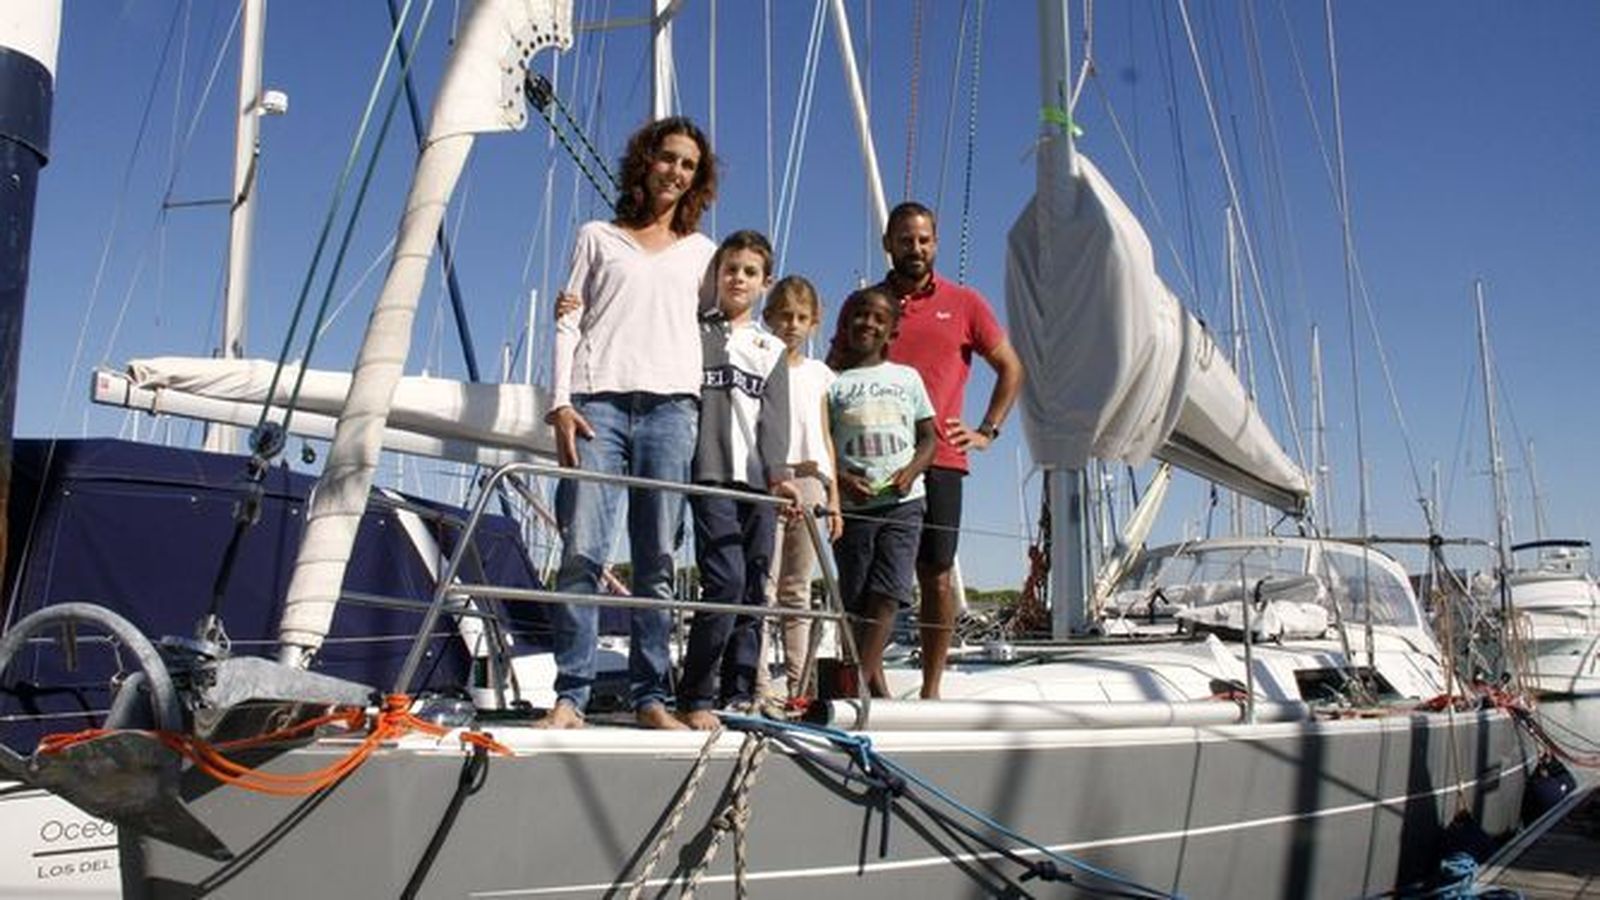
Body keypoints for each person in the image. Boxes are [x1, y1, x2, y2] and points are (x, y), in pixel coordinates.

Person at [540, 117, 719, 730]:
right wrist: (560, 402)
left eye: (689, 165)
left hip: (673, 408)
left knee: (657, 562)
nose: (676, 172)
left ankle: (651, 697)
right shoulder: (596, 236)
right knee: (583, 550)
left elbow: (731, 320)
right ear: (646, 161)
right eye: (668, 158)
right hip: (599, 404)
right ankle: (572, 695)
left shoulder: (704, 254)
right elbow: (568, 320)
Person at [829, 202, 1025, 699]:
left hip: (938, 460)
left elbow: (1010, 367)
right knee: (862, 580)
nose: (914, 248)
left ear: (934, 244)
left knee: (935, 573)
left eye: (923, 240)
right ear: (888, 245)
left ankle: (932, 690)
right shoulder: (865, 305)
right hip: (865, 466)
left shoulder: (965, 303)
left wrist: (987, 431)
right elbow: (832, 373)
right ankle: (868, 685)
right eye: (904, 239)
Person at [676, 230, 801, 729]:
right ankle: (695, 695)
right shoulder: (694, 331)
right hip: (709, 476)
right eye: (730, 269)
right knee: (723, 581)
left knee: (754, 591)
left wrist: (780, 477)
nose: (738, 279)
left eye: (750, 272)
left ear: (765, 282)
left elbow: (777, 420)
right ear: (717, 275)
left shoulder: (770, 348)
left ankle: (739, 691)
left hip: (758, 486)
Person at [827, 286, 937, 698]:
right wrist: (838, 477)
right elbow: (821, 442)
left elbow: (928, 439)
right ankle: (877, 692)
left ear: (892, 330)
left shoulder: (907, 378)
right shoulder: (833, 383)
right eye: (859, 315)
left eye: (877, 318)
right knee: (857, 601)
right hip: (854, 508)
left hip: (903, 503)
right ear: (846, 323)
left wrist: (910, 472)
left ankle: (853, 686)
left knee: (889, 593)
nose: (867, 323)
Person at [756, 276, 842, 701]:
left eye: (801, 318)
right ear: (769, 318)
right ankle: (755, 684)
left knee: (798, 588)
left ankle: (798, 685)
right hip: (772, 476)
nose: (792, 325)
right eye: (785, 316)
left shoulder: (821, 374)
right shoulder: (759, 364)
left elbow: (827, 436)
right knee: (764, 586)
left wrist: (836, 501)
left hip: (811, 479)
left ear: (814, 323)